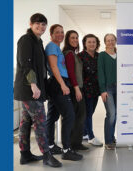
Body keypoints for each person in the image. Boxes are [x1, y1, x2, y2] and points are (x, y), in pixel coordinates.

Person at [14, 13, 62, 167]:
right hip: (29, 89)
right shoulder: (26, 40)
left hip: (33, 89)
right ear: (30, 24)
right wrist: (34, 85)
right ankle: (47, 155)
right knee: (40, 121)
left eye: (43, 24)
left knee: (26, 122)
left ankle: (25, 154)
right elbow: (26, 64)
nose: (41, 27)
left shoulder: (38, 41)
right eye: (38, 23)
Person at [45, 24, 82, 161]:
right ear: (51, 34)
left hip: (58, 83)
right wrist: (62, 84)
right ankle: (66, 150)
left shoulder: (56, 48)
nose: (60, 34)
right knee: (69, 115)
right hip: (58, 83)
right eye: (57, 32)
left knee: (52, 116)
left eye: (62, 32)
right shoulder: (52, 46)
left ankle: (50, 145)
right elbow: (54, 66)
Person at [63, 30, 89, 151]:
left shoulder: (73, 53)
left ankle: (76, 143)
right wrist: (76, 89)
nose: (75, 40)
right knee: (78, 116)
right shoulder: (69, 54)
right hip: (75, 89)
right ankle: (74, 144)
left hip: (78, 87)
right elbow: (71, 73)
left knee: (80, 116)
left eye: (76, 38)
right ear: (67, 40)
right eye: (72, 38)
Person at [78, 34, 103, 146]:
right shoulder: (80, 56)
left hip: (95, 90)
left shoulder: (99, 56)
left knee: (90, 113)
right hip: (84, 90)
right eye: (89, 42)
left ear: (97, 43)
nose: (92, 44)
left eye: (94, 42)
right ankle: (91, 137)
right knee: (87, 113)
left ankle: (84, 133)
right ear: (84, 44)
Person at [97, 34, 117, 150]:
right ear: (105, 42)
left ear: (115, 41)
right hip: (108, 88)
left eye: (112, 40)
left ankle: (112, 136)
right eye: (108, 40)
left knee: (116, 114)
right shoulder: (102, 55)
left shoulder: (120, 55)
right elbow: (101, 73)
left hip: (120, 88)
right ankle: (108, 141)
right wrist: (103, 90)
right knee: (111, 114)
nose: (110, 42)